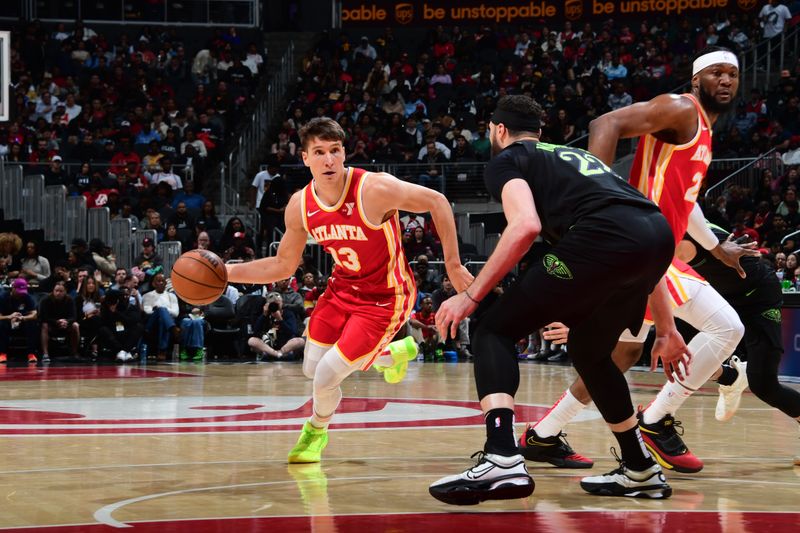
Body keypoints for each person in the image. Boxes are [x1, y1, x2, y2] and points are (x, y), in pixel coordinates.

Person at [518, 46, 759, 477]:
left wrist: (716, 248)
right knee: (728, 327)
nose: (726, 80)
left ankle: (544, 435)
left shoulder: (702, 130)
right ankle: (656, 419)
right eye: (717, 73)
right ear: (695, 81)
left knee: (620, 357)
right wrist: (591, 197)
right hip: (640, 246)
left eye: (733, 74)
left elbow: (689, 205)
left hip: (646, 249)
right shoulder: (680, 109)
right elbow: (605, 123)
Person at [428, 94, 676, 504]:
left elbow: (525, 226)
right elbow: (636, 235)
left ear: (499, 130)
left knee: (494, 328)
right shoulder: (573, 158)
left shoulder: (507, 160)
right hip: (656, 238)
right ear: (540, 133)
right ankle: (640, 468)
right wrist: (665, 327)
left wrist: (471, 295)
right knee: (591, 351)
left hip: (606, 239)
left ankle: (502, 457)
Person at [226, 117, 471, 463]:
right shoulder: (300, 205)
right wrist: (225, 272)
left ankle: (315, 431)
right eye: (319, 152)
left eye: (335, 151)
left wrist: (454, 265)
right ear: (306, 158)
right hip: (341, 290)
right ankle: (390, 354)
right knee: (312, 368)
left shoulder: (374, 189)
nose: (329, 160)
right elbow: (282, 265)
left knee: (326, 375)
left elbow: (438, 201)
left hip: (386, 297)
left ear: (344, 154)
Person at [678, 223, 800, 464]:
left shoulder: (685, 233)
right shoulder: (662, 233)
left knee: (764, 385)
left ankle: (737, 376)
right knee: (682, 357)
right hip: (717, 298)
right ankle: (730, 377)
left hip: (758, 296)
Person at [247, 292, 305, 360]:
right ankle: (277, 354)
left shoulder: (288, 314)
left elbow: (292, 332)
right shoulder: (264, 314)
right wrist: (264, 315)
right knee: (251, 340)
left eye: (277, 304)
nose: (275, 306)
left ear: (282, 303)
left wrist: (280, 320)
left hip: (286, 344)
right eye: (272, 304)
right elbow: (255, 331)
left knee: (300, 341)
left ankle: (278, 353)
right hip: (268, 345)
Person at [96, 290, 144, 363]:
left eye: (127, 295)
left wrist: (116, 312)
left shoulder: (131, 307)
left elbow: (131, 321)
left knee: (139, 327)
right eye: (123, 296)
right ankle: (124, 352)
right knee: (103, 329)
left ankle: (123, 352)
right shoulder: (106, 307)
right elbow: (104, 323)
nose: (125, 297)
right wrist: (110, 311)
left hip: (127, 333)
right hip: (113, 333)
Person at [141, 273, 179, 361]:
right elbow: (147, 311)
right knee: (161, 311)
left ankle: (162, 352)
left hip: (164, 321)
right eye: (158, 281)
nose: (161, 283)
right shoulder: (147, 295)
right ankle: (173, 329)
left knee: (163, 318)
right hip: (151, 322)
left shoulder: (172, 296)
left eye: (163, 281)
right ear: (153, 284)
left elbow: (176, 313)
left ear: (166, 283)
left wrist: (163, 309)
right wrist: (157, 310)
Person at [0, 278, 39, 364]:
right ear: (13, 288)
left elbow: (34, 314)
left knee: (32, 324)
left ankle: (31, 354)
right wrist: (9, 317)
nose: (20, 294)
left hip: (22, 321)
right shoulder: (3, 297)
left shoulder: (26, 297)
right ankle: (2, 353)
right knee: (1, 325)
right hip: (7, 321)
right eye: (18, 291)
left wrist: (24, 318)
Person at [38, 281, 80, 362]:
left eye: (61, 291)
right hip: (51, 324)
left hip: (65, 324)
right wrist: (57, 322)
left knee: (76, 325)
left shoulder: (70, 300)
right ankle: (45, 354)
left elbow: (74, 317)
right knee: (44, 325)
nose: (58, 293)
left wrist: (66, 321)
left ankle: (74, 352)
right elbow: (43, 317)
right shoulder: (46, 300)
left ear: (65, 292)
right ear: (53, 291)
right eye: (56, 291)